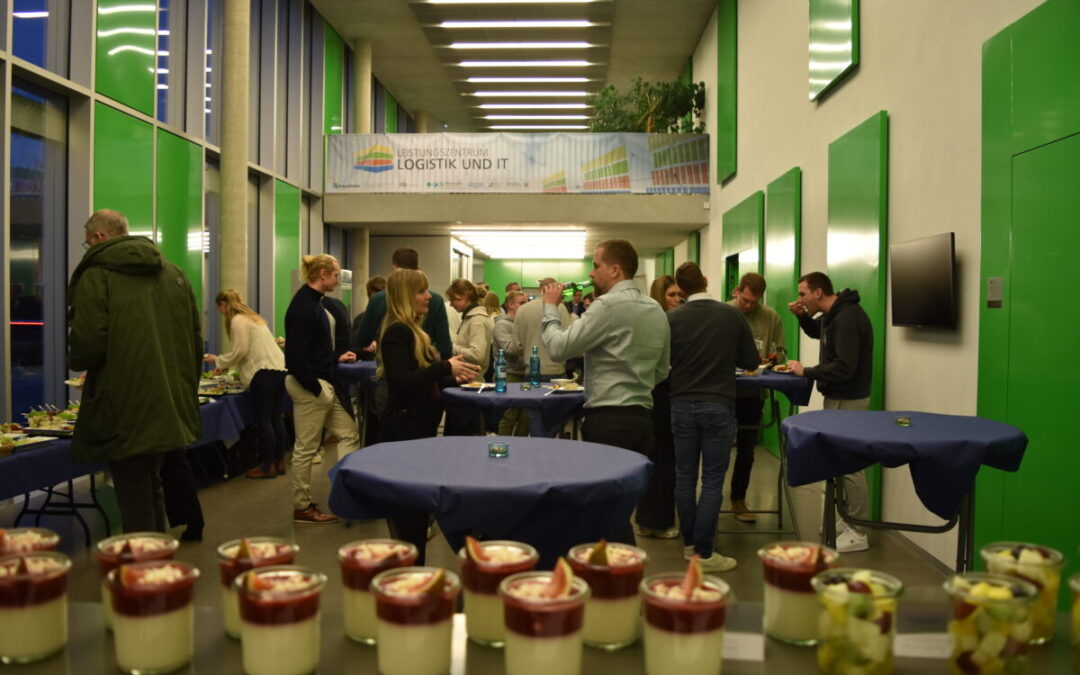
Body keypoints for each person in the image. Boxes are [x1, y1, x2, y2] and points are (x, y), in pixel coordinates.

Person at [67, 209, 204, 536]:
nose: (88, 250)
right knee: (152, 487)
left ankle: (144, 572)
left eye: (88, 244)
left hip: (122, 404)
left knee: (134, 495)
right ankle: (158, 565)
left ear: (99, 237)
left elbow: (86, 346)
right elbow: (194, 344)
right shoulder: (175, 275)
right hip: (168, 403)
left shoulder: (96, 276)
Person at [540, 240, 670, 543]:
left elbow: (558, 348)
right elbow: (662, 370)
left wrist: (549, 308)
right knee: (620, 507)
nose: (591, 272)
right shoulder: (656, 309)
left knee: (606, 512)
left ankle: (618, 577)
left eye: (596, 266)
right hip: (642, 420)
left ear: (614, 270)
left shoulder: (606, 306)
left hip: (609, 420)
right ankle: (620, 575)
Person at [378, 269, 479, 561]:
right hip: (404, 434)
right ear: (407, 296)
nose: (428, 297)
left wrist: (451, 379)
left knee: (418, 517)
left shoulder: (413, 330)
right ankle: (409, 583)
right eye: (422, 292)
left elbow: (422, 382)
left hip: (418, 431)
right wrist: (445, 368)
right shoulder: (398, 331)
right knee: (409, 522)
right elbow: (402, 382)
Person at [668, 262, 759, 572]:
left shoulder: (671, 318)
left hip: (680, 404)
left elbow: (662, 362)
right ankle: (705, 555)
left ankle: (690, 546)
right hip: (718, 403)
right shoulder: (731, 314)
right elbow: (750, 360)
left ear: (679, 290)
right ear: (706, 281)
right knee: (711, 481)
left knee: (684, 478)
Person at [787, 271, 874, 553]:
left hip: (848, 400)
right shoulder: (836, 314)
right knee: (840, 462)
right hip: (838, 397)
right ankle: (846, 519)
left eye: (803, 294)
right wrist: (801, 315)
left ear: (818, 293)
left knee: (851, 466)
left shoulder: (848, 318)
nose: (800, 298)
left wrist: (808, 371)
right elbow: (817, 331)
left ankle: (859, 530)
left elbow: (845, 367)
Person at [284, 254, 360, 525]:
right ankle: (302, 507)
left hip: (322, 384)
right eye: (336, 274)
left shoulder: (315, 303)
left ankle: (346, 495)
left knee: (349, 434)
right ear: (323, 274)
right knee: (306, 448)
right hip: (312, 388)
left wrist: (333, 359)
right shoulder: (304, 307)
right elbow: (294, 357)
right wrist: (317, 389)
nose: (339, 279)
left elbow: (315, 349)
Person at [206, 290, 289, 480]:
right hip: (279, 371)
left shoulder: (237, 320)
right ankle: (280, 462)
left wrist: (218, 360)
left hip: (262, 375)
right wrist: (226, 365)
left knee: (264, 421)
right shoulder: (253, 318)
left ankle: (267, 467)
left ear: (222, 305)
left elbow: (241, 350)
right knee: (277, 419)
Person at [727, 272, 785, 523]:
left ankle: (738, 500)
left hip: (753, 393)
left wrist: (771, 360)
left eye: (754, 302)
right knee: (715, 448)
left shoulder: (771, 317)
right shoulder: (723, 312)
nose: (748, 306)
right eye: (745, 300)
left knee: (747, 450)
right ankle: (706, 501)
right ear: (737, 291)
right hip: (724, 392)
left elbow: (780, 352)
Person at [634, 275, 683, 539]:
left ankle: (656, 519)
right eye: (672, 295)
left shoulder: (676, 321)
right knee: (660, 459)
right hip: (658, 395)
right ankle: (652, 521)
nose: (677, 299)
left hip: (671, 394)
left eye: (680, 295)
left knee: (667, 460)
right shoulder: (657, 322)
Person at [353, 248, 453, 360]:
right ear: (418, 269)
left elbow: (362, 340)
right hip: (425, 365)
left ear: (394, 269)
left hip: (389, 364)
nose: (427, 296)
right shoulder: (436, 300)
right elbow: (445, 348)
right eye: (421, 291)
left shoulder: (378, 299)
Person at [513, 277, 573, 437]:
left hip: (531, 371)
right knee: (557, 416)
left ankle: (538, 448)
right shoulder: (559, 308)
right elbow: (567, 341)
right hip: (555, 371)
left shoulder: (522, 310)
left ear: (540, 290)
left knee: (535, 416)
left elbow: (516, 345)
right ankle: (549, 444)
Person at [493, 290, 529, 436]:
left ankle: (520, 450)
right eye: (522, 303)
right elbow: (510, 349)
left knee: (526, 416)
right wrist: (530, 342)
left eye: (527, 303)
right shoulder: (502, 325)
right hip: (508, 374)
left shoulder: (524, 324)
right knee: (509, 415)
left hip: (524, 374)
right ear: (510, 305)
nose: (525, 306)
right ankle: (503, 446)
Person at [446, 279, 494, 382]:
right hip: (466, 380)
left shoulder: (477, 320)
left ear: (463, 296)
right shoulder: (469, 318)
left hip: (473, 382)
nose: (450, 304)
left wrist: (452, 348)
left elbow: (478, 355)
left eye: (452, 300)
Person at [352, 275, 386, 357]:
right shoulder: (359, 319)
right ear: (368, 296)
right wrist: (363, 348)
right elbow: (352, 347)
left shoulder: (393, 320)